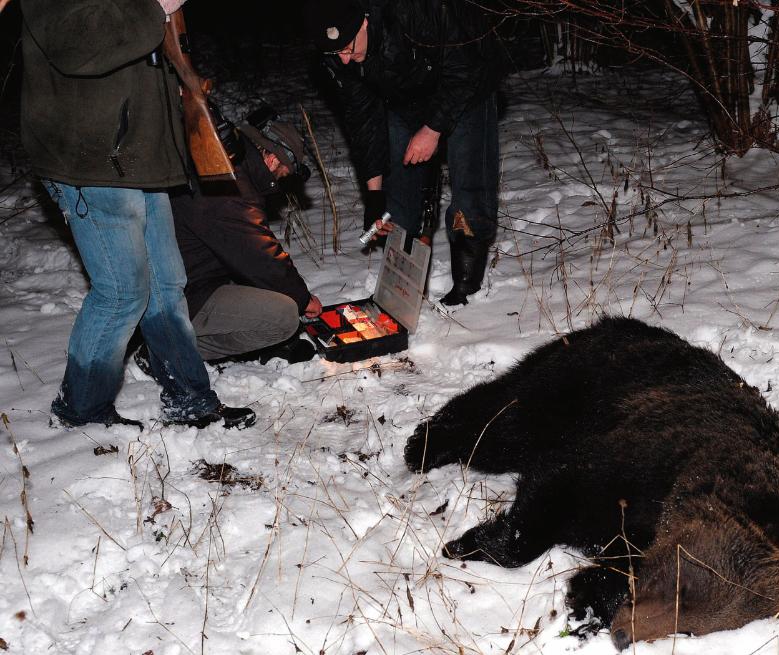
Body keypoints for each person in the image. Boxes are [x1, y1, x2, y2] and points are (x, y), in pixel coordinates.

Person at [18, 0, 255, 430]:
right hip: (91, 159)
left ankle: (190, 399)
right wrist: (154, 7)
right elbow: (78, 47)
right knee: (121, 293)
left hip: (140, 158)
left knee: (166, 286)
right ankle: (82, 409)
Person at [302, 0, 505, 305]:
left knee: (469, 178)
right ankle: (405, 284)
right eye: (335, 53)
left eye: (347, 48)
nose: (343, 60)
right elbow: (364, 122)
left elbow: (464, 67)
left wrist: (432, 129)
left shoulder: (414, 12)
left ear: (364, 23)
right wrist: (373, 198)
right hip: (405, 94)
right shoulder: (336, 56)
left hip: (467, 80)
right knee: (398, 187)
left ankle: (466, 288)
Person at [163, 107, 324, 364]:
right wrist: (302, 299)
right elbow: (260, 257)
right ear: (272, 159)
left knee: (266, 288)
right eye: (282, 175)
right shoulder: (232, 184)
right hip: (181, 295)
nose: (278, 182)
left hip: (190, 278)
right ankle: (170, 353)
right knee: (284, 315)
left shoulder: (220, 160)